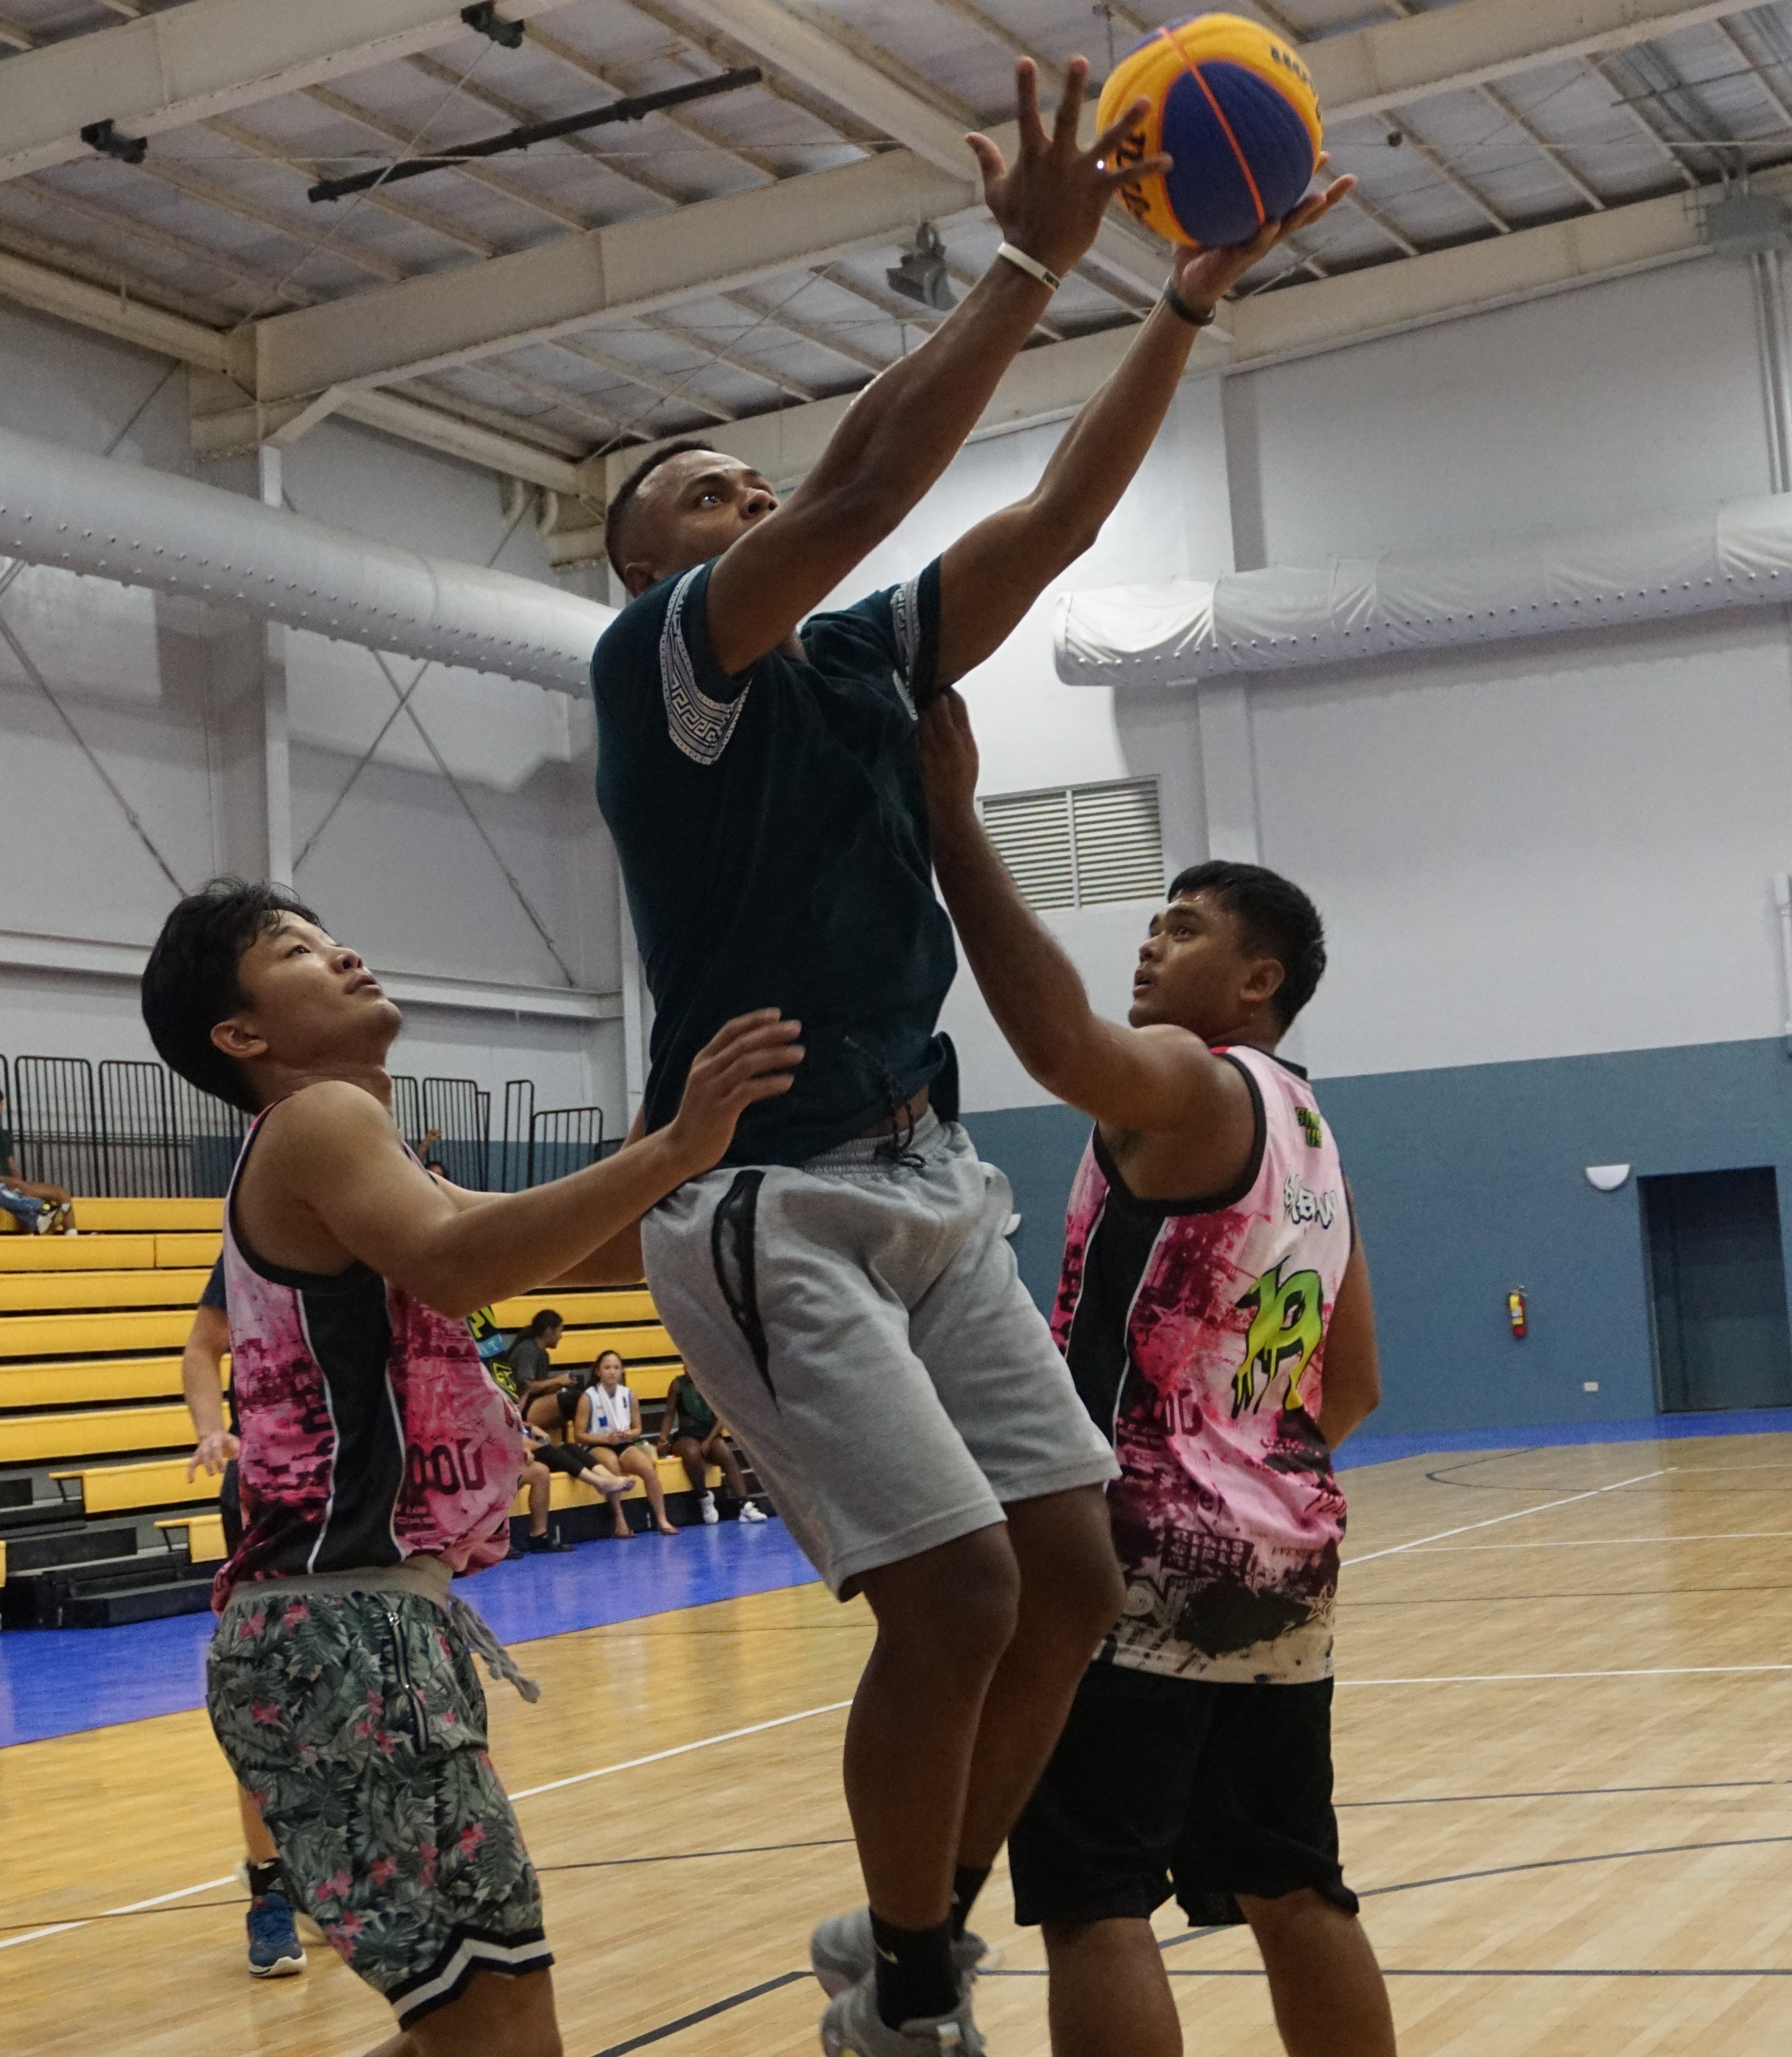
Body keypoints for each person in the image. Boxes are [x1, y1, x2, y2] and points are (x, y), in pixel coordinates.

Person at [590, 48, 1352, 2055]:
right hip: (775, 1194)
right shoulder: (663, 667)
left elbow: (1053, 507)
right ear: (646, 562)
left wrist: (1183, 302)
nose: (742, 494)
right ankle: (916, 1978)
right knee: (952, 1604)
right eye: (696, 493)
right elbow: (860, 486)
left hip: (932, 1182)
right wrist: (1032, 265)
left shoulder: (862, 656)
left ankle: (903, 1940)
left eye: (741, 474)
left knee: (1074, 1579)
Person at [139, 877, 802, 2057]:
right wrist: (679, 1141)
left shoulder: (351, 1149)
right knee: (500, 2025)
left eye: (333, 932)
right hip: (338, 1633)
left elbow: (577, 1243)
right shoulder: (317, 1120)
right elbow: (458, 1263)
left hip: (344, 1631)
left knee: (471, 2021)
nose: (342, 953)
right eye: (296, 950)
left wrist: (760, 1202)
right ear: (241, 1036)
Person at [919, 690, 1396, 2057]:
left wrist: (955, 824)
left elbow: (1055, 1044)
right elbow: (1348, 1381)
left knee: (1093, 1901)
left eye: (1181, 926)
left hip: (1134, 1553)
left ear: (1257, 979)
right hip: (1284, 1552)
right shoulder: (1306, 1123)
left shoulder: (1184, 1082)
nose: (1147, 939)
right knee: (1292, 1883)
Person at [180, 1262, 306, 1980]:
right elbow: (203, 1345)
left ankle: (327, 1863)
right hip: (270, 1490)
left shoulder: (389, 1227)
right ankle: (270, 1892)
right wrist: (211, 1428)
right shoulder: (254, 1246)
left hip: (370, 1491)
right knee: (267, 1699)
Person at [573, 1349, 677, 1539]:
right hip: (598, 1443)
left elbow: (638, 1429)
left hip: (622, 1442)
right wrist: (606, 1439)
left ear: (621, 1371)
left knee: (649, 1470)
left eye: (616, 1368)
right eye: (607, 1368)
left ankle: (662, 1519)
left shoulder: (629, 1395)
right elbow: (579, 1436)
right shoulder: (588, 1397)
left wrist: (628, 1434)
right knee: (612, 1466)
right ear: (598, 1371)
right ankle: (620, 1519)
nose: (612, 1372)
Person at [657, 1367, 767, 1524]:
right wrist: (663, 1438)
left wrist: (709, 1440)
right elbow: (669, 1413)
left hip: (711, 1432)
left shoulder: (714, 1383)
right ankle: (704, 1497)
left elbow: (721, 1417)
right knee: (692, 1453)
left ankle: (744, 1505)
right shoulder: (678, 1384)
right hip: (687, 1433)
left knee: (726, 1454)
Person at [0, 1088, 75, 1233]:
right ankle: (42, 1218)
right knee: (20, 1192)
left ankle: (72, 1237)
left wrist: (18, 1182)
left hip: (9, 1184)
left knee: (61, 1193)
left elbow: (12, 1167)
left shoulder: (4, 1136)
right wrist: (14, 1183)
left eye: (1, 1104)